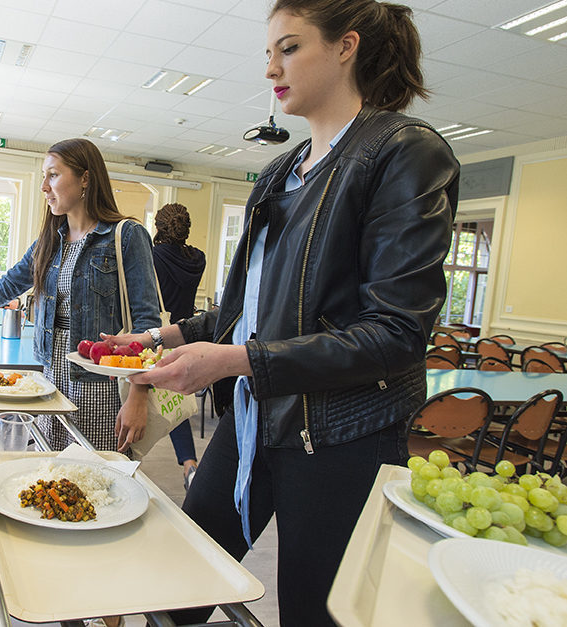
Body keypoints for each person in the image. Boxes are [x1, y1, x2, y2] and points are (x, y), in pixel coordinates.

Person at [107, 1, 459, 624]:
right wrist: (160, 335)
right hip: (255, 419)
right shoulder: (278, 173)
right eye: (269, 52)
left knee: (312, 611)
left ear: (346, 46)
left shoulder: (403, 152)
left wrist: (237, 361)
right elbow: (244, 309)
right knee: (177, 585)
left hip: (340, 437)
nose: (271, 66)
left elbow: (398, 334)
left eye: (289, 48)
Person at [0, 137, 161, 453]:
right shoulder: (48, 243)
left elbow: (147, 323)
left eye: (53, 175)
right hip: (50, 379)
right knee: (52, 474)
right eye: (43, 177)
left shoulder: (126, 236)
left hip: (100, 387)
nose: (44, 187)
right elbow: (3, 288)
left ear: (86, 178)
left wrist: (138, 394)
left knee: (95, 476)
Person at [151, 203, 206, 489]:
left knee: (133, 398)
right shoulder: (199, 259)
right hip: (187, 336)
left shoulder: (154, 256)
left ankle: (122, 458)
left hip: (157, 337)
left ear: (159, 227)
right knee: (176, 404)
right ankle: (190, 464)